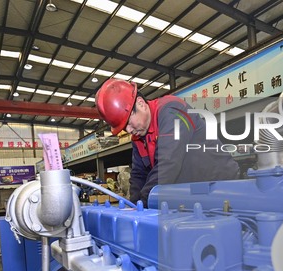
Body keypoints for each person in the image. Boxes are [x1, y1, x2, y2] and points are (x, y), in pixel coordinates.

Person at [95, 79, 239, 206]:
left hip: (222, 189)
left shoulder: (172, 111)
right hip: (193, 194)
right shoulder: (139, 136)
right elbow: (139, 175)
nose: (128, 130)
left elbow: (167, 164)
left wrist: (144, 203)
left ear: (141, 104)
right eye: (123, 127)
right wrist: (134, 207)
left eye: (128, 122)